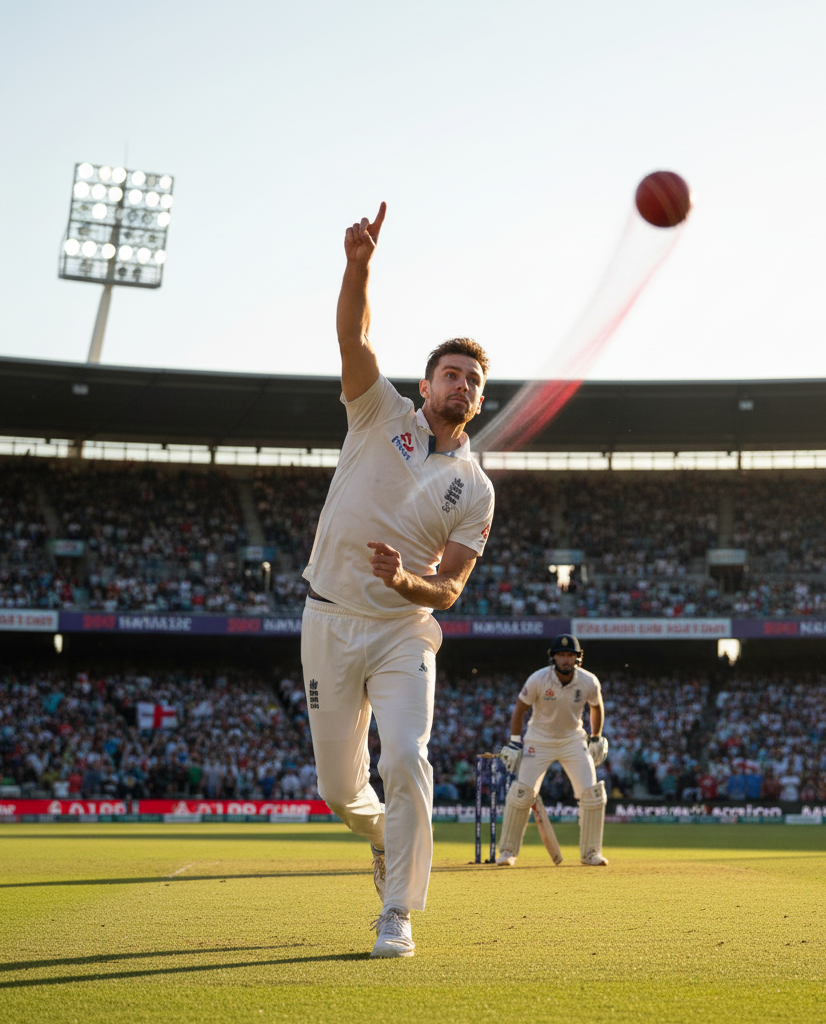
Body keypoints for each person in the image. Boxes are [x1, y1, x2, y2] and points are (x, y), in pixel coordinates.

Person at [300, 202, 495, 958]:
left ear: (479, 400)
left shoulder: (475, 489)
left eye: (474, 381)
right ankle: (383, 837)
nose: (462, 385)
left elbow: (449, 590)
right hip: (328, 617)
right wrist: (359, 265)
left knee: (407, 756)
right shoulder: (377, 410)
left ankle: (398, 914)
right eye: (452, 373)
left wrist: (409, 582)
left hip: (402, 631)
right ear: (426, 382)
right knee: (337, 791)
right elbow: (354, 336)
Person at [495, 634, 610, 867]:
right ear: (553, 657)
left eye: (570, 655)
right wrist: (515, 742)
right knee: (522, 794)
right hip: (539, 739)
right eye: (561, 655)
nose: (566, 660)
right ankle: (507, 852)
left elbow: (596, 707)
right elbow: (520, 710)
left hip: (573, 740)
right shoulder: (538, 679)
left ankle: (591, 853)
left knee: (592, 793)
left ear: (578, 659)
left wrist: (596, 737)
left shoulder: (589, 681)